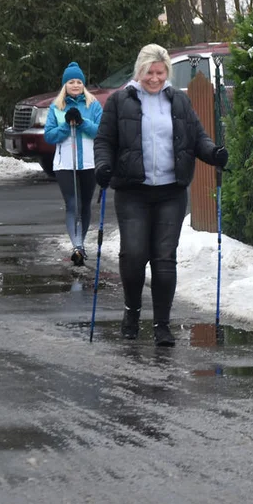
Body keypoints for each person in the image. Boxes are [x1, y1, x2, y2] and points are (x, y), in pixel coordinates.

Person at [93, 44, 228, 347]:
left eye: (160, 72)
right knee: (134, 254)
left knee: (164, 259)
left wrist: (213, 153)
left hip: (171, 191)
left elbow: (197, 138)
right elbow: (104, 141)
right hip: (132, 190)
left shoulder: (178, 100)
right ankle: (131, 313)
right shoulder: (118, 101)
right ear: (139, 71)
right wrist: (103, 166)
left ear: (167, 72)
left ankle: (162, 325)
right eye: (149, 72)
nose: (154, 78)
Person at [44, 62, 103, 266]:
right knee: (72, 204)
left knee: (85, 205)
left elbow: (100, 132)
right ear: (65, 85)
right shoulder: (56, 106)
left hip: (88, 163)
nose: (75, 85)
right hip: (65, 164)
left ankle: (81, 244)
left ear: (83, 84)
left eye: (79, 81)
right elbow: (49, 136)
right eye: (71, 82)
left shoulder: (93, 105)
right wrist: (66, 127)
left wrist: (82, 123)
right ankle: (77, 245)